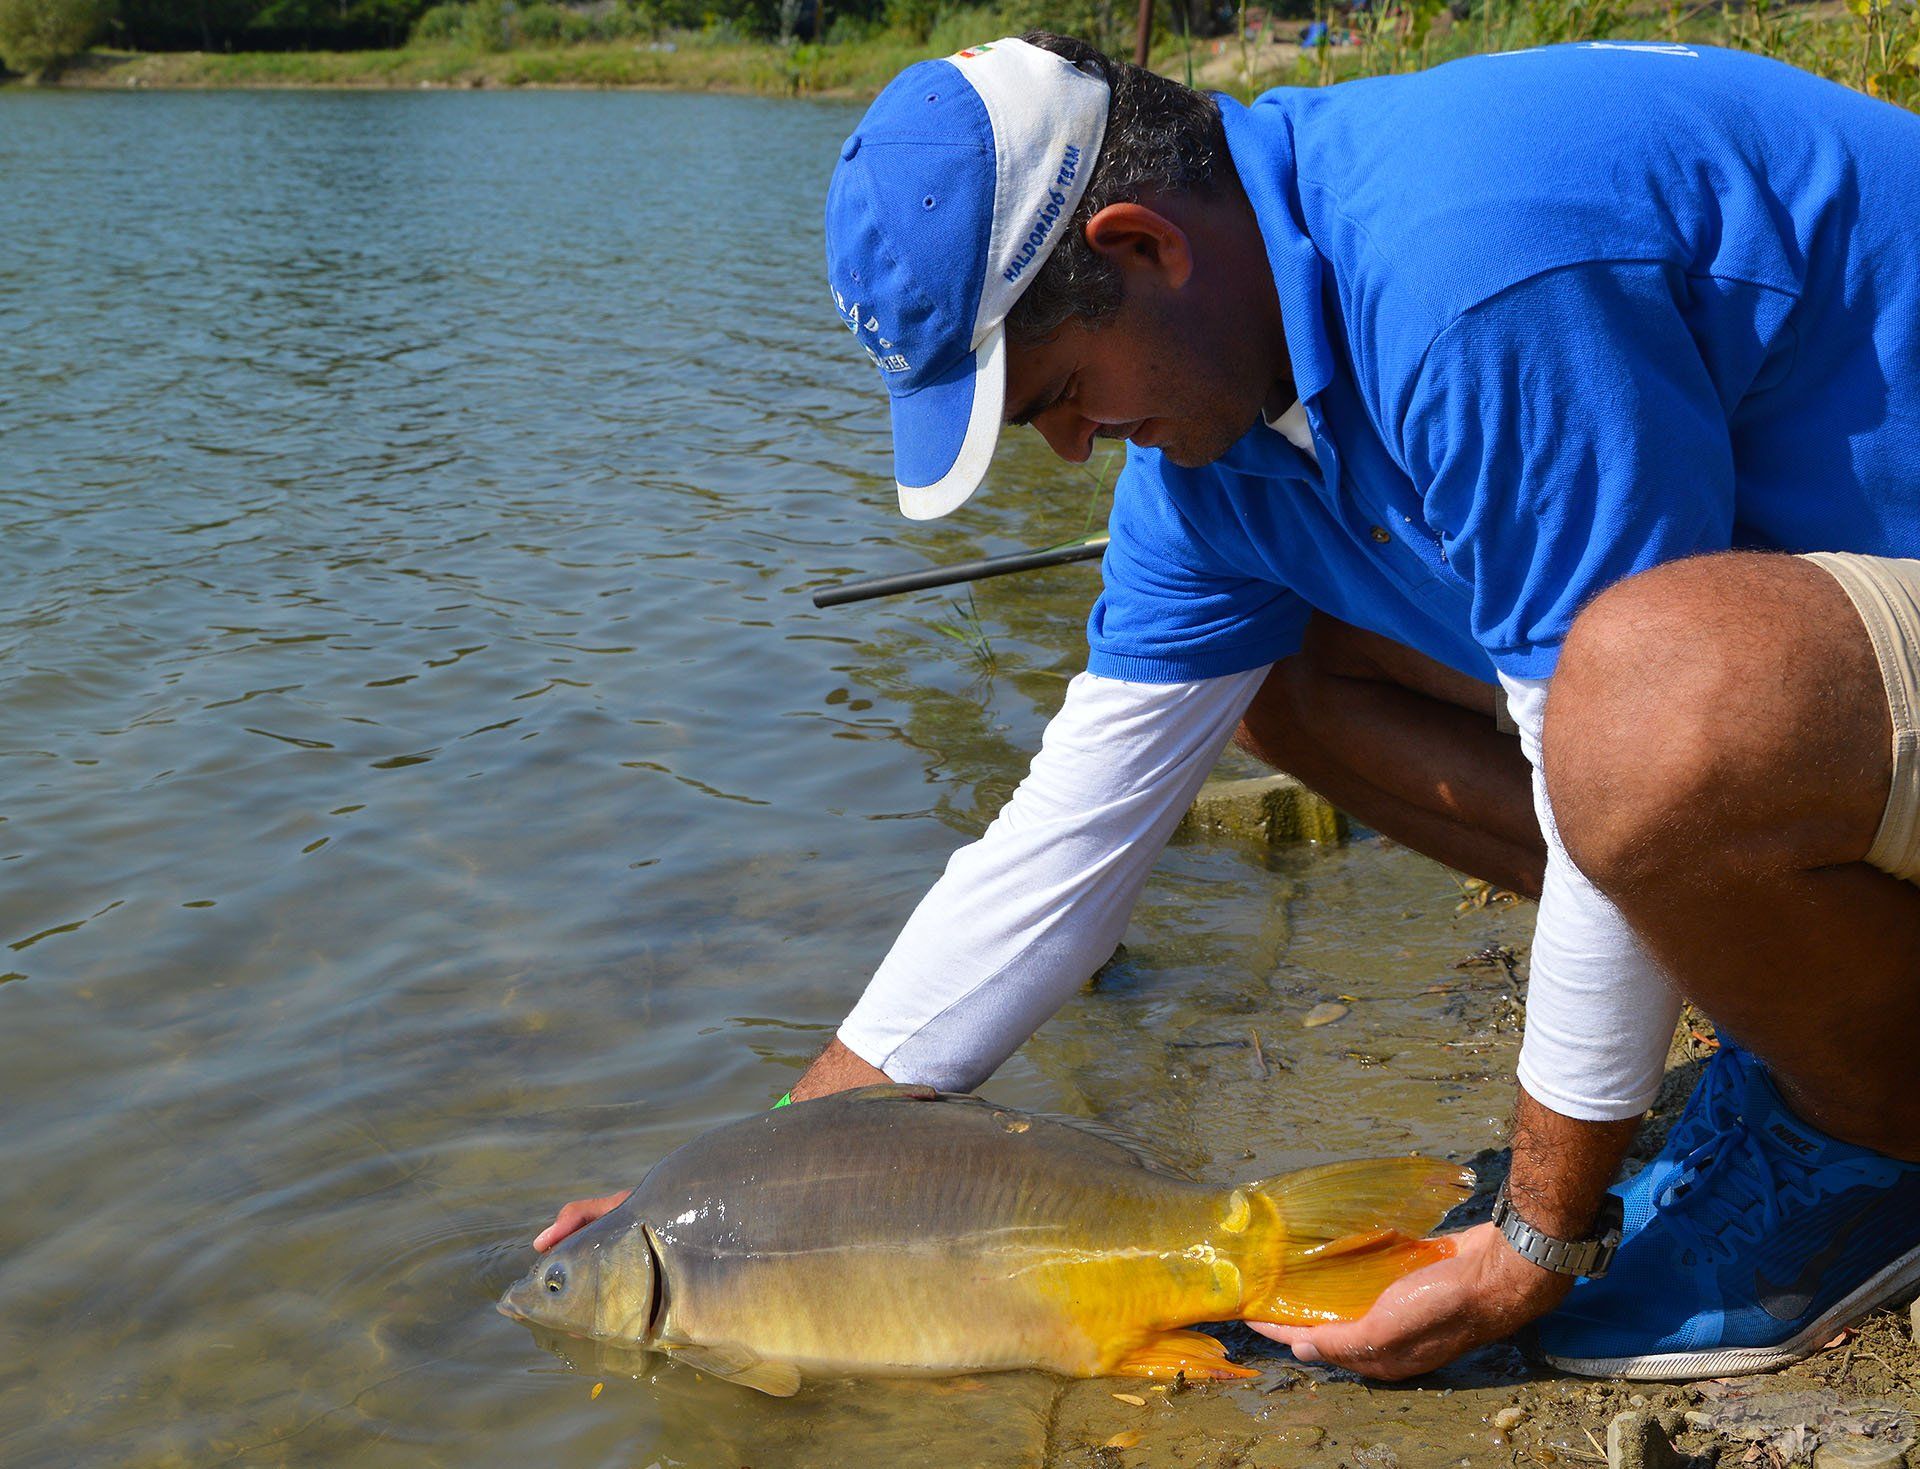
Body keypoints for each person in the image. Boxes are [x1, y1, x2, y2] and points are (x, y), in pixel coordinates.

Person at [541, 33, 1920, 1381]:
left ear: (1143, 246)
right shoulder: (1213, 459)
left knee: (1632, 709)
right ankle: (1797, 993)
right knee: (1286, 685)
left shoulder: (1467, 278)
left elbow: (1602, 749)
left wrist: (1538, 1240)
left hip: (1808, 644)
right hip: (1838, 668)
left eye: (1064, 395)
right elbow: (1064, 842)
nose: (1074, 450)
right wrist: (751, 1181)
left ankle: (1873, 1138)